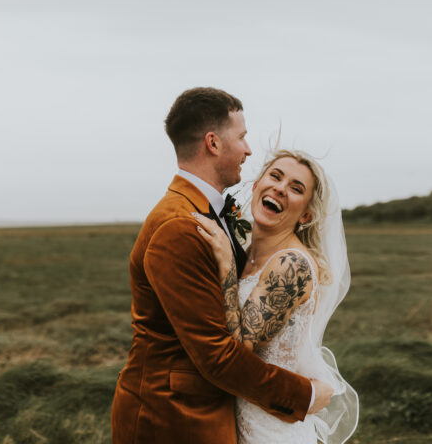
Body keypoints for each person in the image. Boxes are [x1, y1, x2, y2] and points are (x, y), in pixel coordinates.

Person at [110, 87, 334, 444]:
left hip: (231, 417)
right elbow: (218, 356)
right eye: (242, 137)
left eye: (294, 187)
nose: (248, 149)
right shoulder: (181, 226)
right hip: (174, 418)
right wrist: (303, 396)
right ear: (213, 143)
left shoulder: (206, 217)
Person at [194, 149, 359, 443]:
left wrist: (228, 271)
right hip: (234, 417)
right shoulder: (246, 252)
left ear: (306, 214)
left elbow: (237, 349)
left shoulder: (291, 265)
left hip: (269, 429)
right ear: (256, 185)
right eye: (275, 176)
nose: (280, 188)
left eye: (296, 188)